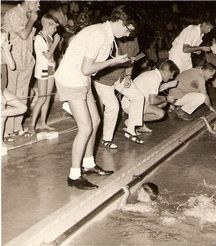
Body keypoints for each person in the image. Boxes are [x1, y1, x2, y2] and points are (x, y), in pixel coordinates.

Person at [54, 5, 135, 190]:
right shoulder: (99, 35)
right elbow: (86, 68)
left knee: (96, 120)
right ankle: (74, 175)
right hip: (72, 79)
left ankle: (88, 163)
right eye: (128, 29)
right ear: (120, 22)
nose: (129, 33)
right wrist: (114, 61)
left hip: (82, 79)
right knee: (85, 127)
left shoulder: (106, 34)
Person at [93, 37, 139, 150]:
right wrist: (121, 62)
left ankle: (131, 130)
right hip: (104, 79)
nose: (129, 33)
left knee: (138, 97)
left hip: (120, 77)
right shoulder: (109, 40)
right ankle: (106, 139)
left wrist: (128, 75)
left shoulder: (133, 39)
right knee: (113, 107)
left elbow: (132, 60)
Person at [3, 0, 40, 138]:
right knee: (11, 96)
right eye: (37, 2)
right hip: (13, 62)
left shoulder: (28, 15)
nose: (39, 6)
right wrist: (31, 20)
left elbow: (29, 39)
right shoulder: (12, 14)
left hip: (27, 61)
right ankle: (6, 130)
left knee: (23, 96)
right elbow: (24, 35)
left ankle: (17, 126)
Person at [118, 60, 179, 136]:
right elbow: (153, 100)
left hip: (131, 102)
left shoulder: (153, 74)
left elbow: (152, 90)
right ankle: (132, 121)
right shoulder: (155, 78)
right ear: (166, 72)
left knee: (162, 103)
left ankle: (139, 124)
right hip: (130, 105)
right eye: (171, 75)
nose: (172, 77)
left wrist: (167, 86)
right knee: (160, 113)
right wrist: (166, 98)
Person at [28, 15, 60, 134]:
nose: (55, 30)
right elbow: (47, 56)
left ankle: (43, 123)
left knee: (48, 97)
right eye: (54, 27)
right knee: (42, 98)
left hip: (50, 68)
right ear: (47, 25)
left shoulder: (49, 37)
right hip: (42, 69)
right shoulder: (39, 38)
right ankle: (32, 124)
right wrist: (56, 42)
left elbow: (52, 57)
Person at [1, 28, 28, 146]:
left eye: (6, 38)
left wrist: (7, 51)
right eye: (3, 38)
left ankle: (0, 113)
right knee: (2, 117)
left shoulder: (3, 52)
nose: (6, 40)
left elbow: (12, 66)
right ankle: (1, 143)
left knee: (22, 108)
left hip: (2, 88)